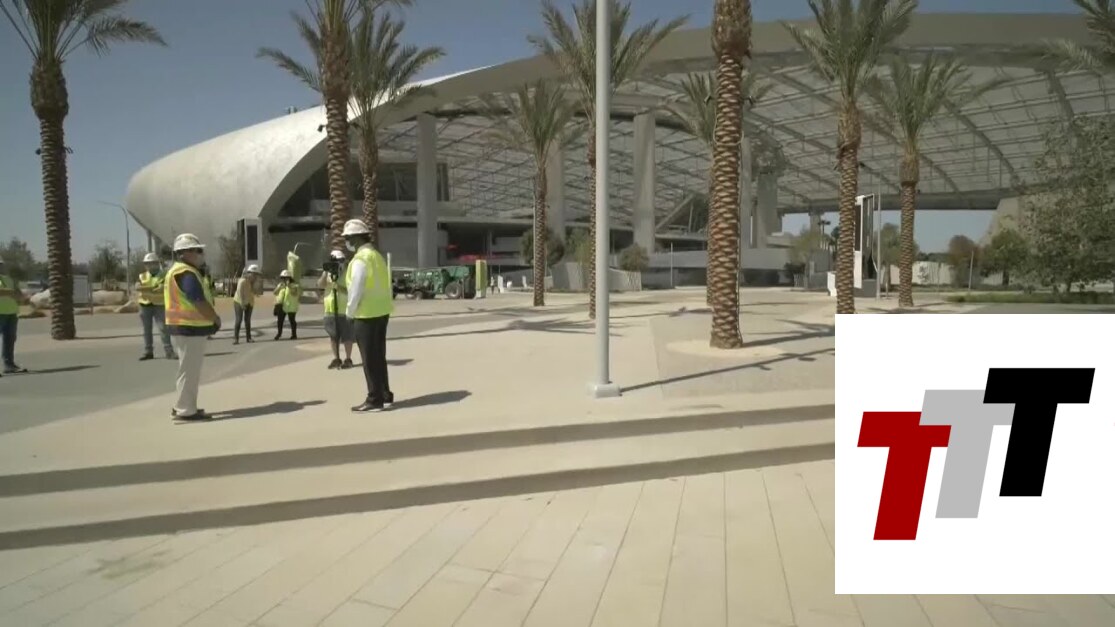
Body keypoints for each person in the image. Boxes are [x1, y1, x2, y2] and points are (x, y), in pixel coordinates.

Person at [164, 233, 220, 420]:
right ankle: (186, 410)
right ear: (184, 253)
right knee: (190, 371)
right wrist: (214, 318)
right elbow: (197, 300)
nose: (200, 254)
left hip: (183, 327)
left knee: (186, 370)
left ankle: (182, 405)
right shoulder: (186, 273)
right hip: (189, 328)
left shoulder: (177, 271)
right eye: (197, 250)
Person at [343, 219, 395, 412]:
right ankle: (385, 393)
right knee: (379, 356)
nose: (347, 242)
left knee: (369, 359)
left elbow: (356, 288)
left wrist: (350, 312)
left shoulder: (360, 260)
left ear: (357, 238)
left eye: (348, 238)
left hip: (365, 315)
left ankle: (374, 399)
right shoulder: (377, 256)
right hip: (382, 312)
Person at [135, 252, 176, 361]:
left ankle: (169, 351)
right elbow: (138, 287)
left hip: (159, 304)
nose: (150, 266)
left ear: (157, 263)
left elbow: (166, 287)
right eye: (148, 264)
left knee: (163, 328)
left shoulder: (164, 275)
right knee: (146, 330)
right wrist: (153, 287)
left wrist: (148, 288)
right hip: (145, 305)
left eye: (153, 263)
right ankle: (148, 352)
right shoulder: (142, 276)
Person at [318, 249, 354, 369]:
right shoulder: (328, 273)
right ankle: (336, 358)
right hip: (330, 310)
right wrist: (325, 273)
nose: (337, 263)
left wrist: (338, 287)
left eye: (339, 261)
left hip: (344, 310)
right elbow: (320, 285)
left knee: (347, 336)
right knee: (333, 336)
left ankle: (348, 358)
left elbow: (352, 290)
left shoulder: (348, 273)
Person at [0, 259, 29, 376]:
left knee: (10, 339)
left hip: (11, 312)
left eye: (1, 264)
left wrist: (21, 296)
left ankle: (9, 365)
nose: (1, 267)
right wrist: (11, 292)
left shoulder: (9, 279)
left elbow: (18, 294)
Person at [233, 264, 260, 345]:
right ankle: (236, 339)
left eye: (256, 274)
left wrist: (255, 284)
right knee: (239, 320)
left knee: (247, 320)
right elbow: (239, 292)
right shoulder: (242, 280)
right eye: (253, 274)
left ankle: (249, 338)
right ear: (249, 273)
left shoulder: (253, 282)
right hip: (239, 301)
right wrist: (242, 304)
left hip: (249, 302)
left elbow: (255, 291)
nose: (255, 276)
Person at [273, 270, 301, 340]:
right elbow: (275, 293)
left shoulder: (294, 285)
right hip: (281, 306)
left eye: (286, 278)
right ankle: (279, 334)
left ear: (290, 278)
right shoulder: (281, 285)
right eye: (283, 278)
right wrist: (279, 288)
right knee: (280, 321)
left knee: (292, 320)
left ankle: (294, 335)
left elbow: (294, 293)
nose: (285, 280)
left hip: (291, 307)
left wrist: (289, 286)